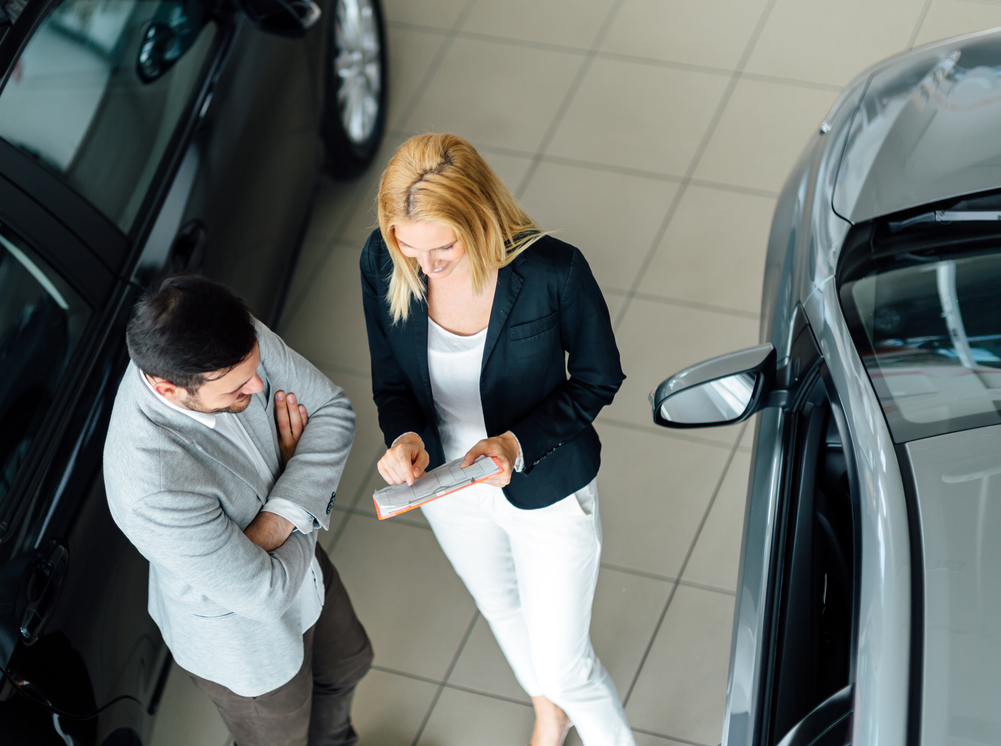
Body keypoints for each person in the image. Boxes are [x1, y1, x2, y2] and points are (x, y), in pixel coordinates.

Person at [360, 134, 635, 746]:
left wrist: (514, 444)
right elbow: (391, 382)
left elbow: (599, 378)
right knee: (503, 607)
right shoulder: (383, 264)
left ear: (479, 215)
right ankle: (547, 712)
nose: (426, 267)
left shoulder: (552, 271)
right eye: (411, 247)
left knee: (567, 664)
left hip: (545, 484)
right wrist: (404, 435)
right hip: (451, 488)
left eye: (444, 247)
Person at [104, 274, 372, 746]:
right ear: (169, 389)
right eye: (237, 388)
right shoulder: (147, 483)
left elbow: (332, 410)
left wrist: (279, 515)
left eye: (256, 366)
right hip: (244, 642)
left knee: (349, 663)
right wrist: (299, 487)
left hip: (298, 567)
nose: (259, 382)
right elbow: (262, 594)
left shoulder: (227, 339)